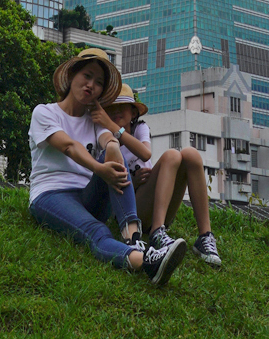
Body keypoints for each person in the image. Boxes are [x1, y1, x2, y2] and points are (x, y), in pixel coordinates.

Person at [28, 47, 186, 287]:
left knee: (112, 154)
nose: (91, 85)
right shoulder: (45, 112)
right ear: (72, 76)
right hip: (52, 194)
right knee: (96, 231)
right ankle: (145, 262)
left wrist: (111, 147)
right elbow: (70, 146)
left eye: (99, 82)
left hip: (89, 194)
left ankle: (133, 237)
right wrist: (99, 168)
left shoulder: (95, 121)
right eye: (87, 76)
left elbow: (109, 141)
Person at [101, 83, 222, 268]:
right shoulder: (105, 138)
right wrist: (132, 182)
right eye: (112, 108)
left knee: (190, 154)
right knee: (172, 155)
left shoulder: (140, 128)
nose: (117, 111)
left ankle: (205, 236)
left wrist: (120, 131)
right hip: (131, 210)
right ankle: (157, 232)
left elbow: (145, 153)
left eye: (122, 106)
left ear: (133, 112)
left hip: (156, 203)